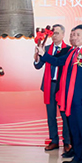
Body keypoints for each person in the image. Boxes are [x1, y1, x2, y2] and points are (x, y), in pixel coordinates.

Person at [37, 24, 82, 163]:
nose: (74, 37)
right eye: (73, 35)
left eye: (78, 35)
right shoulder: (72, 52)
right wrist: (43, 54)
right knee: (74, 129)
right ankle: (77, 157)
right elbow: (59, 62)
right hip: (69, 97)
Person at [34, 24, 72, 153]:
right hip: (49, 85)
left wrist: (45, 55)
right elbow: (38, 66)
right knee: (51, 115)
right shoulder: (46, 48)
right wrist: (37, 56)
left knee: (64, 115)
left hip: (62, 86)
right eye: (52, 33)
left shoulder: (68, 50)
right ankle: (54, 140)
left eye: (57, 33)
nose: (54, 36)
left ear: (63, 34)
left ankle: (67, 141)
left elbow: (58, 61)